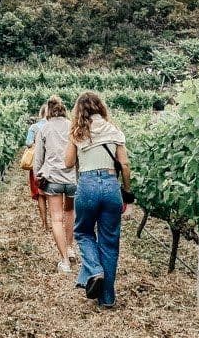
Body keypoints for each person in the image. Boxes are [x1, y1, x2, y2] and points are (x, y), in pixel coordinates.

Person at [64, 91, 132, 309]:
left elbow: (67, 162)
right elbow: (125, 165)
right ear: (101, 108)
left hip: (88, 185)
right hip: (111, 185)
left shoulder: (78, 133)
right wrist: (126, 192)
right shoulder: (115, 131)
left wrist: (73, 141)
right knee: (110, 242)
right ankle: (108, 298)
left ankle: (94, 270)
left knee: (82, 232)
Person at [32, 95, 77, 273]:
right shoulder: (73, 127)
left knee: (56, 218)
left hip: (52, 179)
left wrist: (37, 176)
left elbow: (38, 158)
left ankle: (65, 261)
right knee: (70, 213)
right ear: (64, 110)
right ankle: (71, 247)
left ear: (49, 111)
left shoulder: (44, 129)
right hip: (72, 178)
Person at [25, 103, 48, 231]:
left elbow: (28, 143)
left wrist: (35, 144)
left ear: (41, 113)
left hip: (37, 164)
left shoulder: (34, 127)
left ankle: (45, 223)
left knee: (40, 194)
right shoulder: (55, 127)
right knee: (53, 194)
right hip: (52, 164)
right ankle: (56, 220)